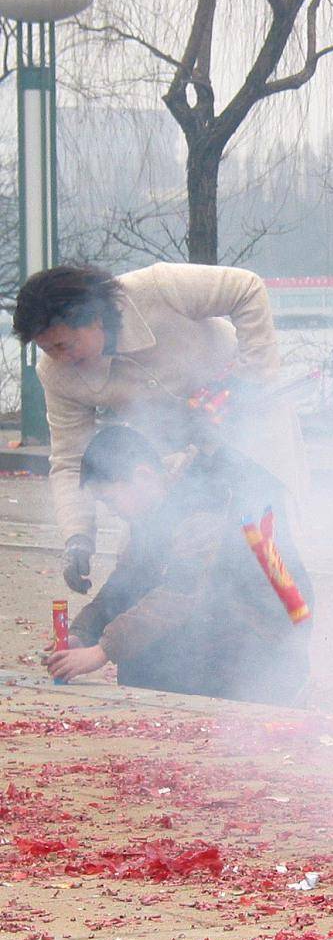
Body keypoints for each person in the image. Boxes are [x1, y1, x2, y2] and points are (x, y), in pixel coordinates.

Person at [12, 263, 304, 596]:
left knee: (264, 542)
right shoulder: (57, 374)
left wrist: (248, 380)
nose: (59, 358)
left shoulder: (158, 288)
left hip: (252, 427)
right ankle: (142, 640)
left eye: (64, 345)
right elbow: (69, 459)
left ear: (92, 317)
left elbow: (247, 288)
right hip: (182, 452)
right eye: (48, 349)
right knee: (150, 550)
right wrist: (78, 537)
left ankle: (286, 629)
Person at [43, 426, 311, 705]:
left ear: (143, 476)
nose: (111, 510)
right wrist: (82, 633)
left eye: (110, 499)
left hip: (268, 637)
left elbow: (181, 592)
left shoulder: (205, 496)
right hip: (228, 621)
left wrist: (102, 651)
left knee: (149, 652)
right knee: (140, 657)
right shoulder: (154, 503)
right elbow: (127, 580)